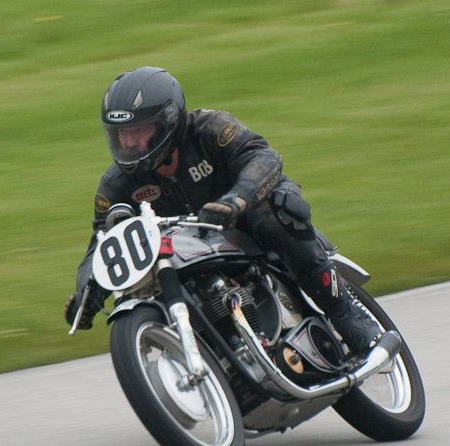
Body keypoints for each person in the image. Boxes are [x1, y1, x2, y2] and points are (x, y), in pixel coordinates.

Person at [64, 66, 379, 362]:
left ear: (167, 123)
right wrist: (87, 291)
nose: (129, 143)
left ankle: (343, 312)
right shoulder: (116, 187)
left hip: (245, 220)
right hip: (187, 251)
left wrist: (235, 201)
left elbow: (264, 157)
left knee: (273, 211)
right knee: (142, 284)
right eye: (121, 134)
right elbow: (102, 242)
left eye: (139, 130)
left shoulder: (211, 128)